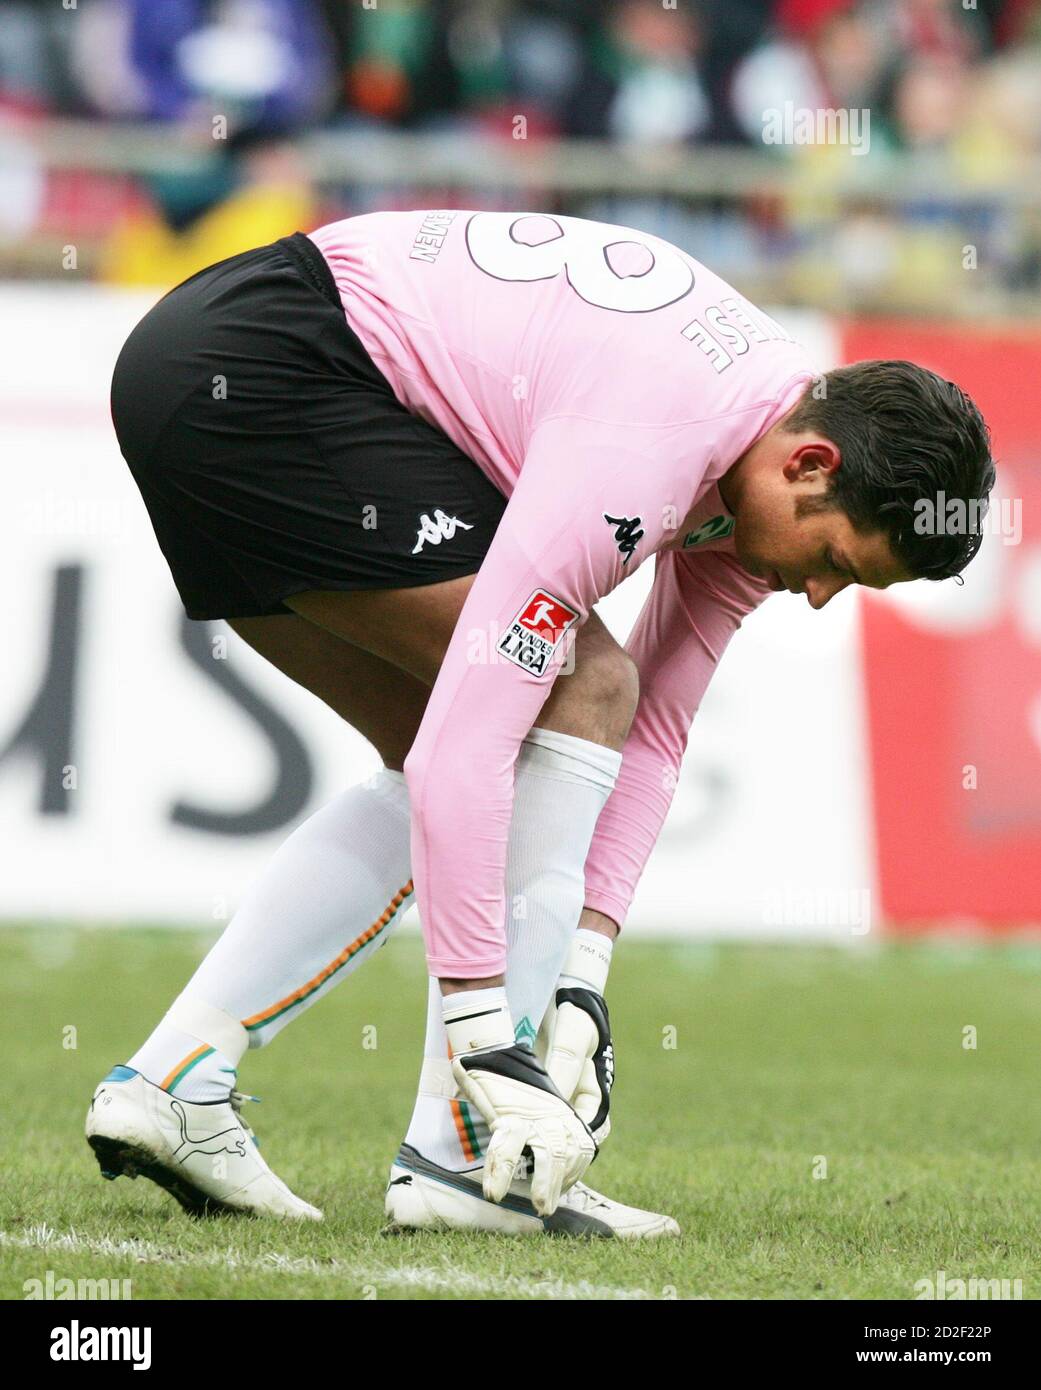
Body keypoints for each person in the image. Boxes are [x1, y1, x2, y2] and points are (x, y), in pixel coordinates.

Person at [87, 209, 993, 1237]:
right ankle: (470, 1157)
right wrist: (490, 1037)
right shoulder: (653, 441)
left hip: (210, 364)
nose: (819, 594)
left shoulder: (757, 465)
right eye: (834, 560)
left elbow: (653, 734)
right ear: (811, 464)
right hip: (271, 365)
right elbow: (475, 752)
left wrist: (585, 983)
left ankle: (177, 1078)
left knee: (515, 714)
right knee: (570, 688)